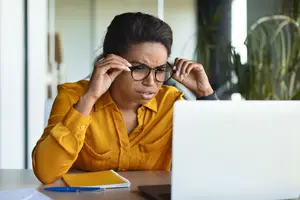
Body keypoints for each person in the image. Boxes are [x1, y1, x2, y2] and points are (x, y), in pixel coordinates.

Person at [32, 12, 218, 184]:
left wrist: (206, 93)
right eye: (138, 68)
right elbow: (46, 172)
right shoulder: (73, 97)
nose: (151, 82)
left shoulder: (171, 104)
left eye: (160, 70)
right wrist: (90, 97)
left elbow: (215, 160)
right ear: (110, 63)